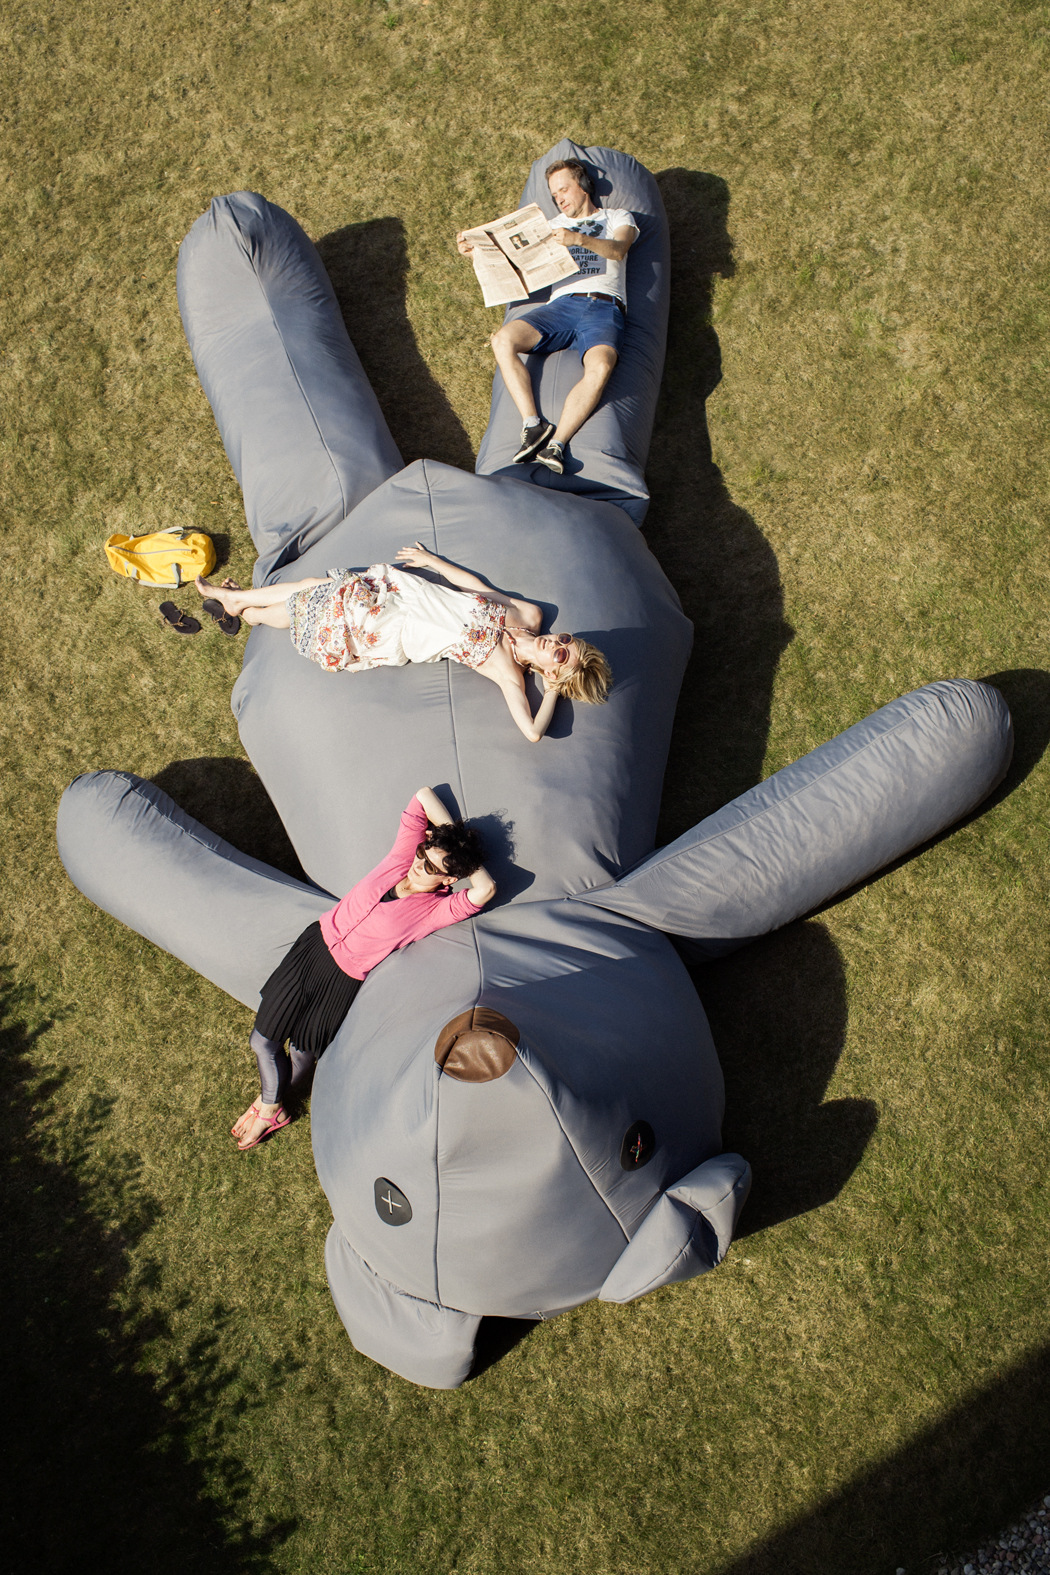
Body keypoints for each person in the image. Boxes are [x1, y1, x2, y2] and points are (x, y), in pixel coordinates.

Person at [232, 786, 495, 1150]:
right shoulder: (403, 857)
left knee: (303, 1052)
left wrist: (464, 859)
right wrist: (453, 838)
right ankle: (271, 1106)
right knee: (263, 1041)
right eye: (423, 853)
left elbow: (485, 889)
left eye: (432, 867)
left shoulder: (436, 910)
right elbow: (422, 796)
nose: (419, 864)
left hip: (343, 978)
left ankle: (270, 1103)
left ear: (449, 879)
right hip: (313, 947)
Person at [196, 543, 611, 742]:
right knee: (312, 589)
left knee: (310, 601)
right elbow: (479, 588)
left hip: (393, 627)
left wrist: (552, 693)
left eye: (561, 653)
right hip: (404, 594)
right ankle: (242, 607)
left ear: (552, 672)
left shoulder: (508, 672)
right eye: (566, 638)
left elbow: (533, 732)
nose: (556, 641)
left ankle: (240, 604)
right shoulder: (529, 617)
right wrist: (434, 563)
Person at [456, 158, 639, 475]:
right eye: (554, 195)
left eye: (564, 190)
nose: (560, 199)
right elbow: (514, 266)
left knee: (600, 366)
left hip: (604, 305)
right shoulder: (551, 225)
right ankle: (532, 426)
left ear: (584, 186)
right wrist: (477, 254)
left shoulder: (616, 217)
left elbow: (619, 249)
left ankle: (557, 444)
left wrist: (578, 239)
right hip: (561, 307)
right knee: (502, 340)